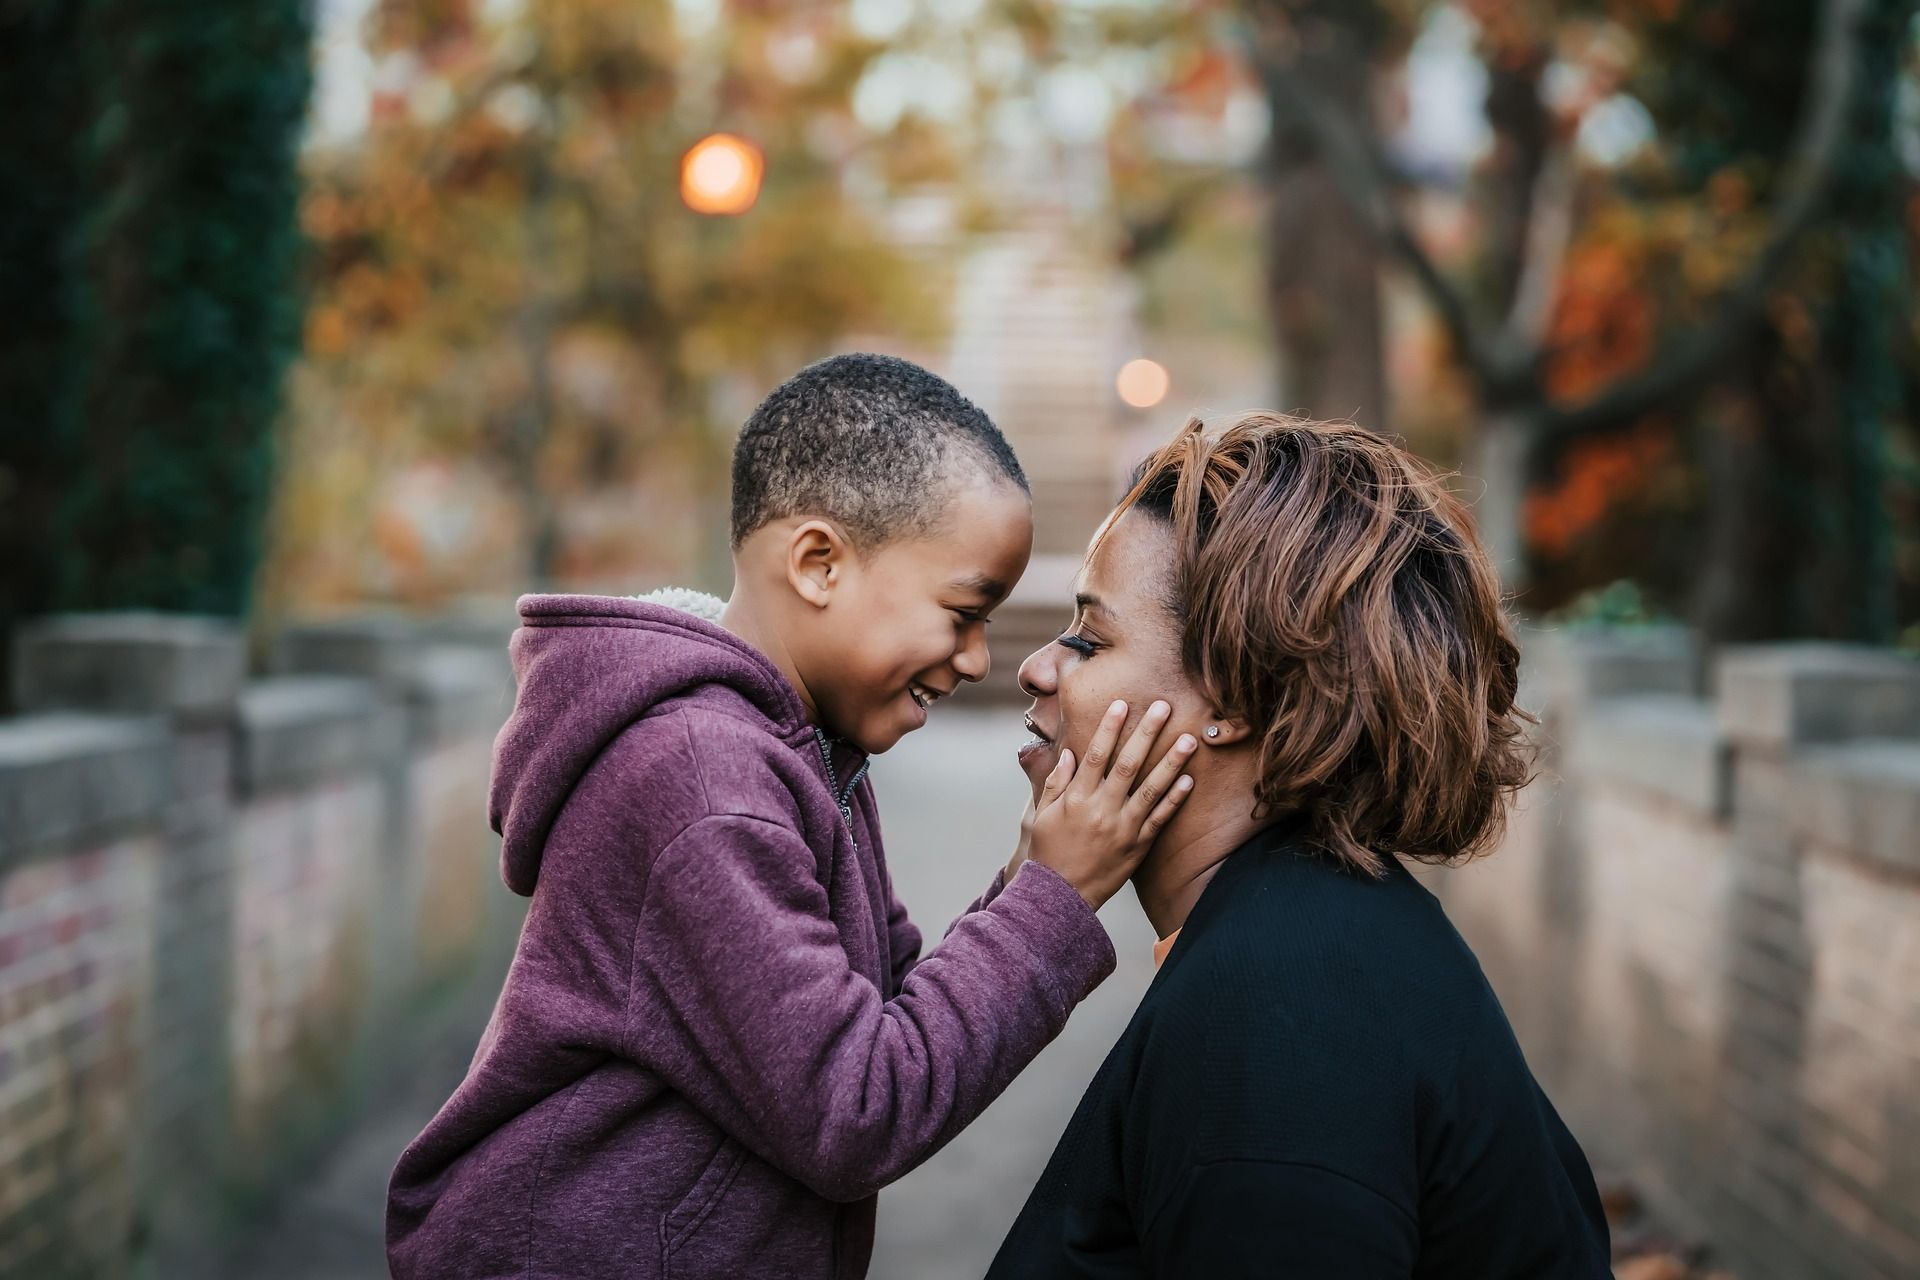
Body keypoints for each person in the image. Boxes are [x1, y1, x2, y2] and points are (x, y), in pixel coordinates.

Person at [386, 354, 1197, 1279]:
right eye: (963, 612)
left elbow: (889, 1013)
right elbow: (855, 1108)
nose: (977, 660)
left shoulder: (801, 754)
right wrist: (1057, 896)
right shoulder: (703, 786)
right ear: (818, 565)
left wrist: (1025, 878)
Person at [989, 413, 1613, 1278]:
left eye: (1092, 639)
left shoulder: (1280, 1017)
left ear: (1236, 699)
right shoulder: (1305, 939)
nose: (1038, 669)